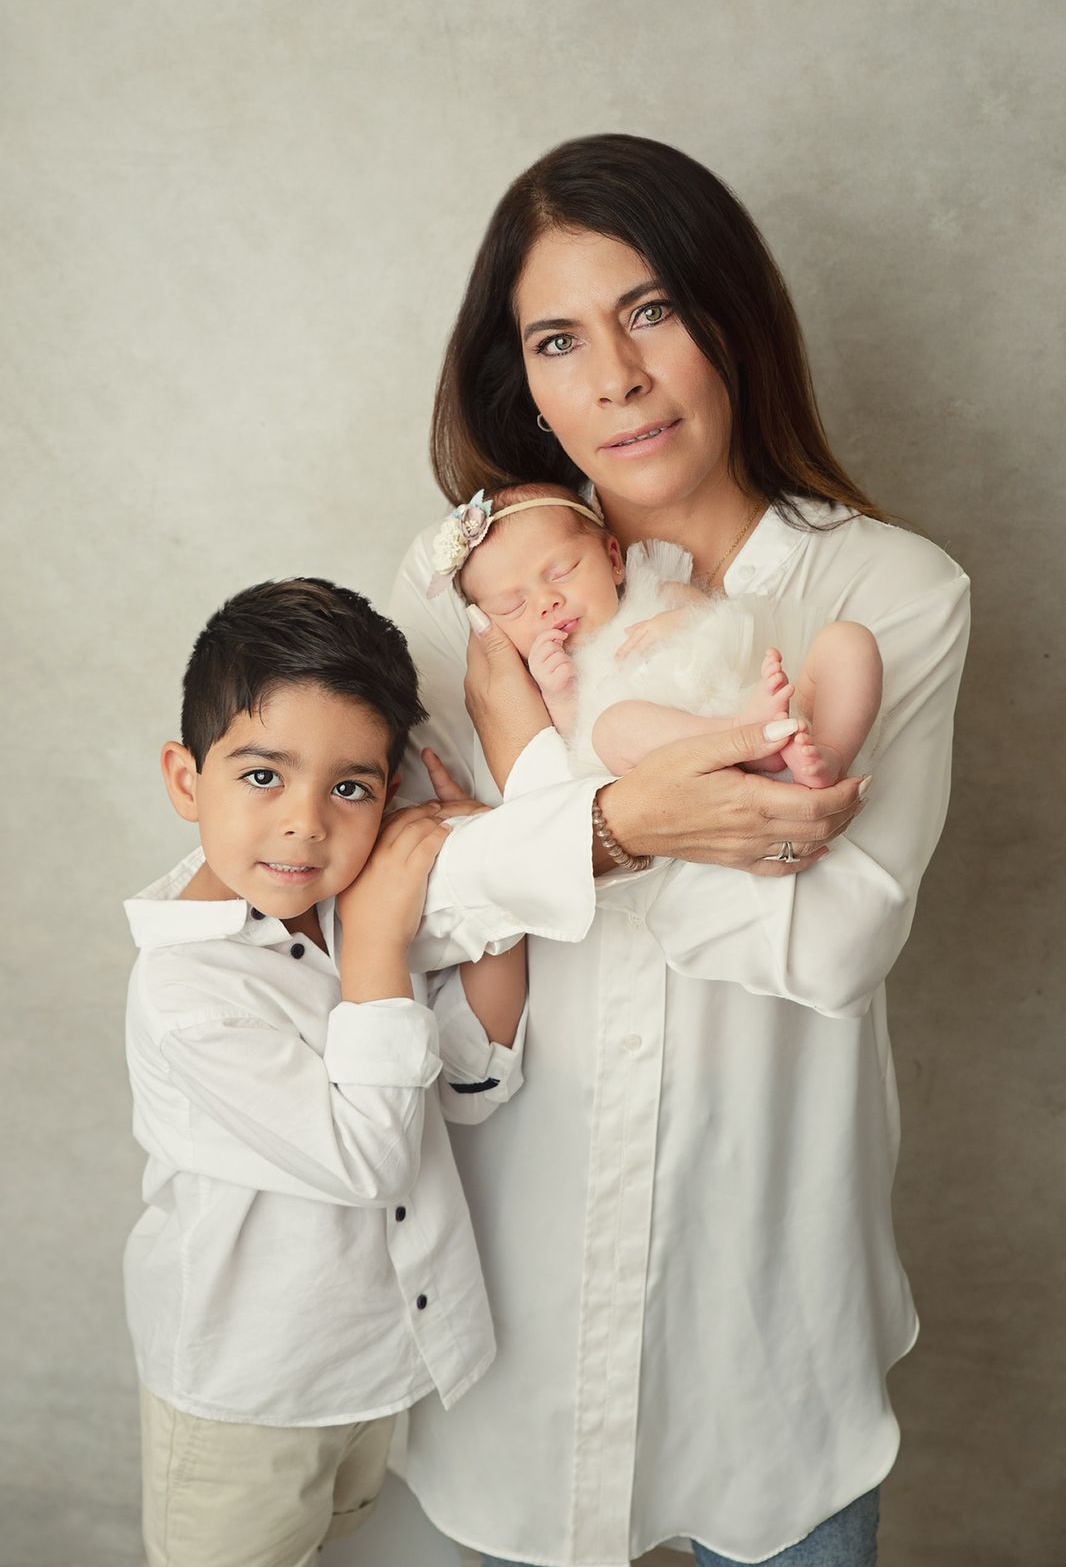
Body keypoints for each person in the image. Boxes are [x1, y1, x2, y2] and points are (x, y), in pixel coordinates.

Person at [388, 134, 970, 1567]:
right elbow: (387, 901)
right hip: (508, 1324)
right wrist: (624, 829)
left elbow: (831, 945)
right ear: (515, 374)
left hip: (765, 1329)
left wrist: (558, 834)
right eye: (557, 338)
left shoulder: (884, 592)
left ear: (732, 318)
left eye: (651, 310)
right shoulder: (473, 594)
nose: (616, 379)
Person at [122, 577, 526, 1567]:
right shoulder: (189, 992)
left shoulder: (350, 915)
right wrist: (385, 938)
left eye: (349, 787)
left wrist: (491, 886)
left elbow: (473, 1077)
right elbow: (367, 1159)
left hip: (375, 1365)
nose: (306, 823)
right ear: (187, 780)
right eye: (263, 775)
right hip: (243, 1397)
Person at [433, 479, 883, 785]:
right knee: (614, 728)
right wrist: (559, 693)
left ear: (613, 559)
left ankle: (829, 753)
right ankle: (741, 735)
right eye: (514, 606)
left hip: (763, 694)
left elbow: (723, 618)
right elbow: (573, 743)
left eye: (563, 571)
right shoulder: (545, 675)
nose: (546, 602)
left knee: (849, 641)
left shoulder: (656, 588)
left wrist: (679, 618)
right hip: (683, 751)